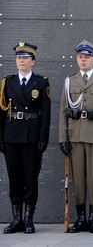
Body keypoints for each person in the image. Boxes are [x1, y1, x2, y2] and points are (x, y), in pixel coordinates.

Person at [58, 40, 93, 234]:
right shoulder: (70, 81)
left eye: (87, 57)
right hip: (75, 135)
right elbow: (63, 112)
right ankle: (80, 218)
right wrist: (62, 138)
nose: (83, 60)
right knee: (78, 179)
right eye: (80, 57)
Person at [0, 42, 51, 234]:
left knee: (30, 178)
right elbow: (1, 111)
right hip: (11, 135)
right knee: (14, 178)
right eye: (19, 58)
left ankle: (29, 219)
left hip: (31, 136)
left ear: (33, 61)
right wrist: (0, 136)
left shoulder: (41, 82)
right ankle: (17, 219)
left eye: (25, 58)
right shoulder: (8, 82)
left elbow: (45, 113)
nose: (21, 61)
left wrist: (43, 138)